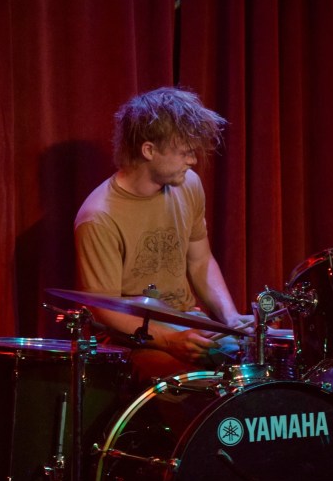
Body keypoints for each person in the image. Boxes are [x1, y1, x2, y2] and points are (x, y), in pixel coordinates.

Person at [74, 86, 253, 385]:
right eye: (185, 152)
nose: (193, 160)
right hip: (133, 339)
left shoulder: (189, 184)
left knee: (258, 362)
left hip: (185, 320)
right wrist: (170, 340)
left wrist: (230, 317)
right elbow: (104, 309)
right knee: (204, 384)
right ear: (148, 150)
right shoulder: (99, 217)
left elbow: (200, 260)